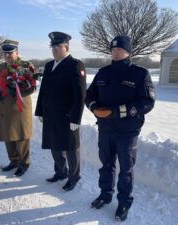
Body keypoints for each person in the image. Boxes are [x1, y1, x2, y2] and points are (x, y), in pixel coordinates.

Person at [85, 35, 155, 221]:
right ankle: (105, 194)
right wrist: (93, 108)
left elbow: (147, 102)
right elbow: (89, 94)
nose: (115, 53)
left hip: (127, 131)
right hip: (105, 129)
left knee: (126, 169)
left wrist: (115, 112)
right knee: (106, 165)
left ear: (128, 52)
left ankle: (124, 202)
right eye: (113, 50)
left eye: (120, 50)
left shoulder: (140, 74)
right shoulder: (103, 72)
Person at [35, 31, 86, 192]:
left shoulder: (75, 65)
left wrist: (75, 119)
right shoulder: (49, 65)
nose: (54, 49)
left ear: (66, 47)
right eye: (53, 47)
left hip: (67, 116)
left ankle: (74, 176)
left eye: (58, 46)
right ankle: (60, 172)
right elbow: (44, 90)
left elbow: (80, 96)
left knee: (71, 148)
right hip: (51, 115)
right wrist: (40, 111)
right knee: (55, 145)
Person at [0, 39, 36, 177]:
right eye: (5, 53)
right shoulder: (0, 67)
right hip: (3, 107)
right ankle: (14, 161)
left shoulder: (25, 66)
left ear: (17, 52)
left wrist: (15, 92)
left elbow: (31, 87)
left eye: (10, 52)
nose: (7, 56)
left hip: (19, 108)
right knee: (8, 135)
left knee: (21, 137)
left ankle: (24, 163)